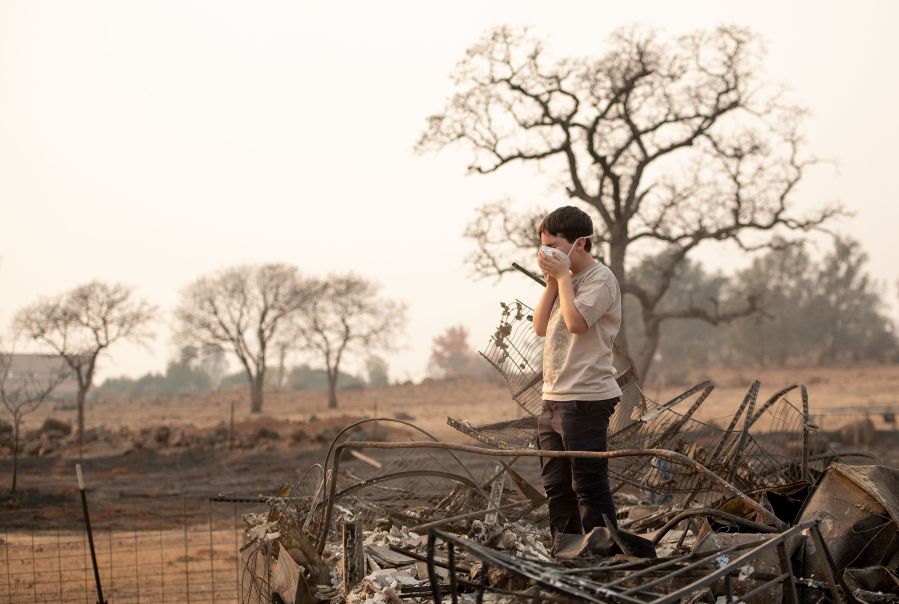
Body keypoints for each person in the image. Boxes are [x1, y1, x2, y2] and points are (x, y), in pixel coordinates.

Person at [533, 205, 622, 544]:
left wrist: (564, 279)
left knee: (587, 485)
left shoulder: (601, 280)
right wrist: (553, 283)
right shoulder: (561, 281)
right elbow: (541, 327)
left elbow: (576, 323)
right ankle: (567, 556)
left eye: (554, 245)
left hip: (587, 397)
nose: (547, 253)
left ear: (579, 243)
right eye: (543, 246)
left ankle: (604, 557)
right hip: (553, 397)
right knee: (556, 486)